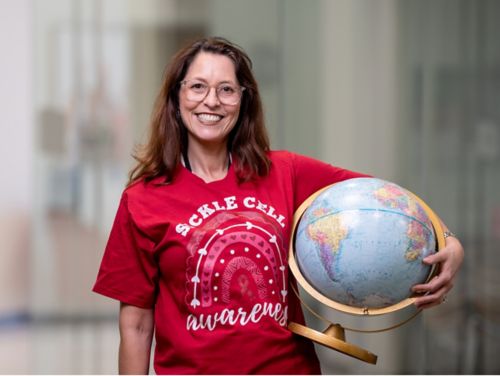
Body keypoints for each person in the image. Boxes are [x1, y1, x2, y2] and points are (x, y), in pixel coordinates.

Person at [93, 37, 464, 374]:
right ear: (177, 97)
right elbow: (137, 325)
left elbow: (384, 198)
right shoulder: (142, 200)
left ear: (243, 100)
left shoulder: (284, 171)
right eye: (197, 87)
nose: (211, 101)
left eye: (226, 90)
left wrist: (449, 240)